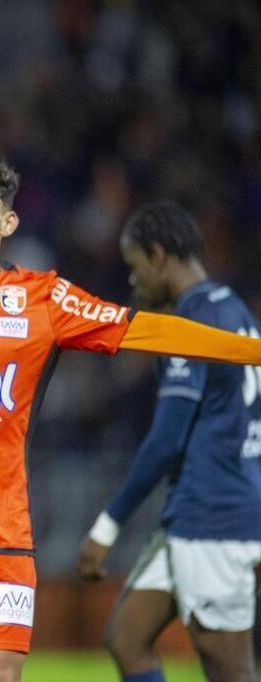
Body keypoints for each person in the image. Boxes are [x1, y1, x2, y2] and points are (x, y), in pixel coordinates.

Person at [0, 156, 261, 682]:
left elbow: (146, 330)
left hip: (0, 542)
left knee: (1, 677)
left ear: (7, 222)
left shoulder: (44, 299)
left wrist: (249, 351)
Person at [76, 202, 261, 682]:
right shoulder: (232, 306)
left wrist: (107, 528)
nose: (133, 284)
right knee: (127, 638)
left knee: (231, 669)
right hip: (203, 508)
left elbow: (166, 439)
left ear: (158, 257)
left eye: (136, 268)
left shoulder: (191, 324)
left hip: (214, 520)